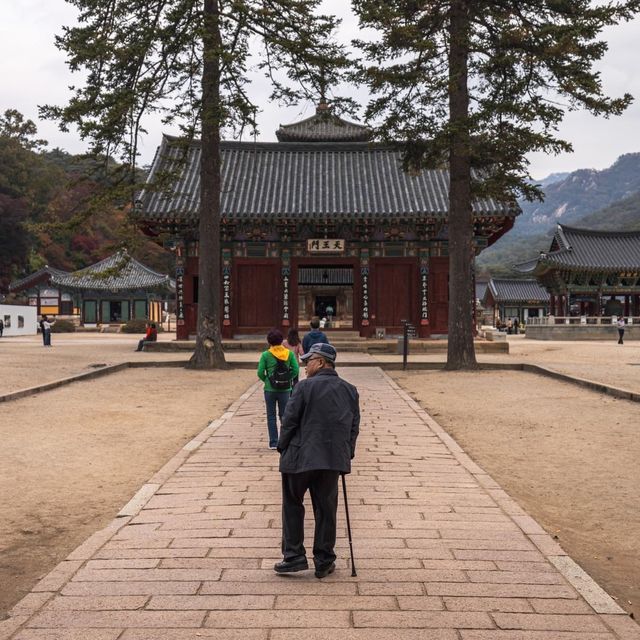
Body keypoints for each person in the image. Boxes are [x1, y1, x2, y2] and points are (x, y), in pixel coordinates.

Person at [274, 343, 360, 579]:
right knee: (326, 508)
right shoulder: (350, 390)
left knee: (293, 504)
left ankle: (294, 556)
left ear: (321, 362)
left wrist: (282, 446)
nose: (304, 365)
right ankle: (324, 559)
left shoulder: (303, 388)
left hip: (300, 456)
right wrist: (346, 453)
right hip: (332, 459)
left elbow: (289, 420)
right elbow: (354, 426)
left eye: (308, 361)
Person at [257, 329, 299, 450]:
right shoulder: (289, 354)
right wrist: (288, 379)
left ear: (269, 341)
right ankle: (285, 440)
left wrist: (267, 380)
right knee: (284, 415)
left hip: (270, 389)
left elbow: (260, 372)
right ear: (281, 340)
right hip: (285, 389)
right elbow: (295, 370)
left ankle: (273, 442)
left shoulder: (265, 355)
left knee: (271, 415)